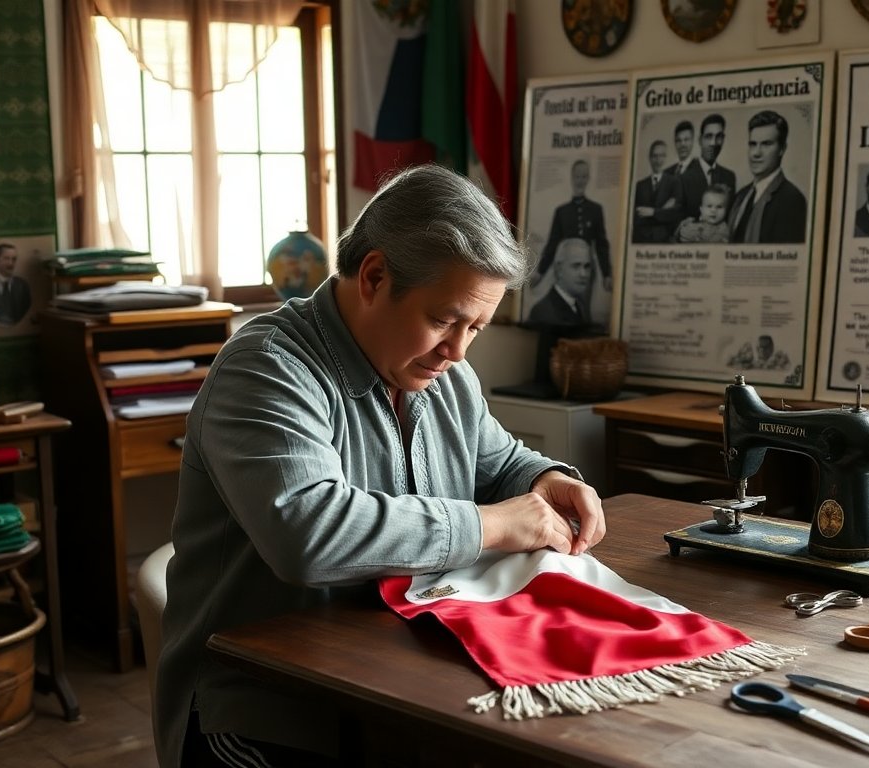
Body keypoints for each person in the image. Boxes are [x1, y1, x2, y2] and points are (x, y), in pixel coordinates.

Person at [154, 165, 606, 768]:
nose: (458, 350)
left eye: (476, 328)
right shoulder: (265, 368)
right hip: (265, 712)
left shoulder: (446, 375)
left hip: (398, 683)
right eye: (443, 320)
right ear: (373, 277)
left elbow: (501, 462)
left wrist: (547, 480)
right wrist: (494, 524)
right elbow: (309, 535)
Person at [727, 110, 807, 244]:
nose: (756, 153)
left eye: (766, 144)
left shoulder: (792, 199)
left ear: (782, 149)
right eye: (753, 144)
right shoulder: (741, 196)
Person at [536, 159, 612, 291]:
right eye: (577, 176)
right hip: (565, 268)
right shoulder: (562, 212)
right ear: (572, 178)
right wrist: (540, 272)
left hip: (587, 268)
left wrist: (607, 274)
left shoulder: (595, 210)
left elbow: (601, 245)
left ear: (588, 178)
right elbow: (552, 244)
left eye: (584, 177)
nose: (580, 181)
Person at [527, 238, 593, 325]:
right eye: (576, 266)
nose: (583, 274)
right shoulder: (543, 312)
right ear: (559, 269)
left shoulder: (578, 306)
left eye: (587, 266)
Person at [631, 140, 684, 243]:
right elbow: (636, 218)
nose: (658, 160)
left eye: (662, 156)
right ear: (650, 158)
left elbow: (675, 214)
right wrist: (662, 212)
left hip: (665, 240)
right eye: (655, 156)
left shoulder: (674, 182)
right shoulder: (640, 185)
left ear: (666, 157)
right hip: (642, 240)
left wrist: (653, 212)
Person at [692, 113, 737, 219]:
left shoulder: (729, 177)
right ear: (700, 140)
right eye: (708, 136)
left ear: (723, 139)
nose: (713, 143)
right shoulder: (683, 176)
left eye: (719, 137)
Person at [726, 334, 791, 371]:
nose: (762, 350)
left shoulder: (780, 358)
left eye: (765, 347)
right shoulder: (750, 359)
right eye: (759, 348)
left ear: (772, 348)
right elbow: (730, 364)